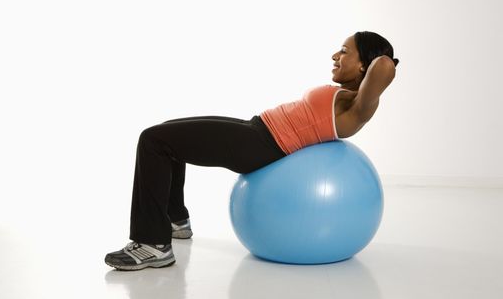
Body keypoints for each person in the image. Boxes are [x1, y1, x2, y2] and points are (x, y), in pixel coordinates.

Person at [104, 31, 400, 271]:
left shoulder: (356, 108)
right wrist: (360, 61)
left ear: (365, 65)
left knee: (153, 141)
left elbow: (384, 66)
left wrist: (382, 56)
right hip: (255, 129)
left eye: (345, 51)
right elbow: (375, 67)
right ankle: (174, 220)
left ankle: (153, 245)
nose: (335, 56)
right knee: (165, 132)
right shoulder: (346, 96)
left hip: (259, 144)